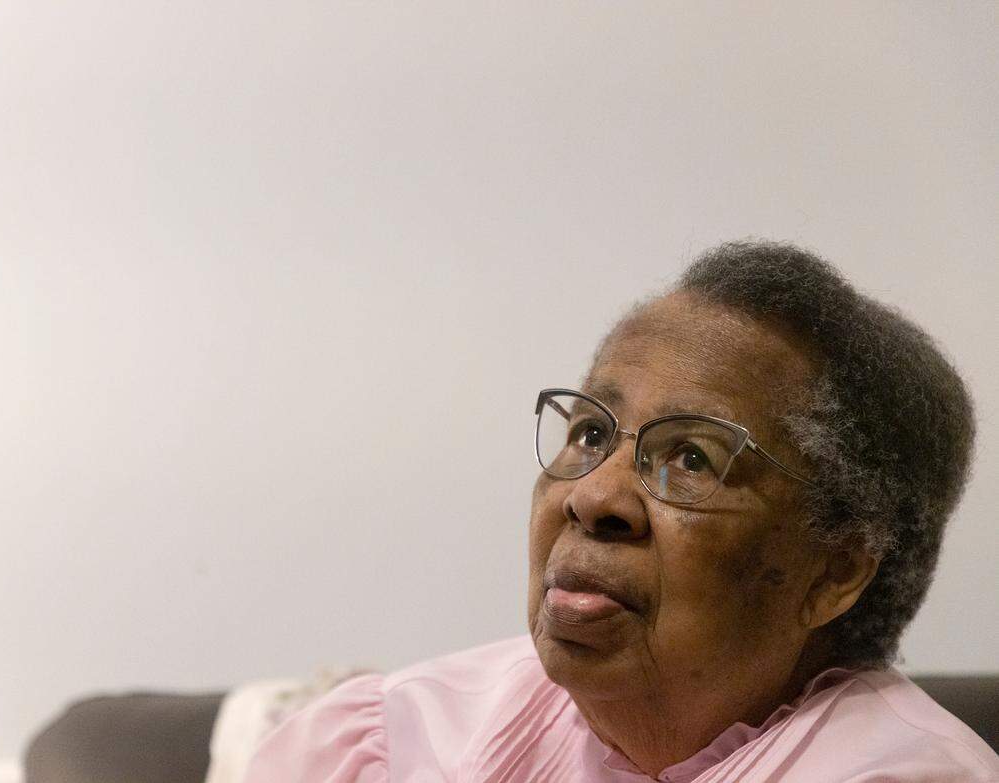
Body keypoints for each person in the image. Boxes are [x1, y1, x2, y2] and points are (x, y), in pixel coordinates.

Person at [238, 242, 999, 782]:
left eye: (692, 458)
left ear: (835, 571)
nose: (593, 496)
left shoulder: (899, 772)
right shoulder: (399, 739)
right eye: (591, 434)